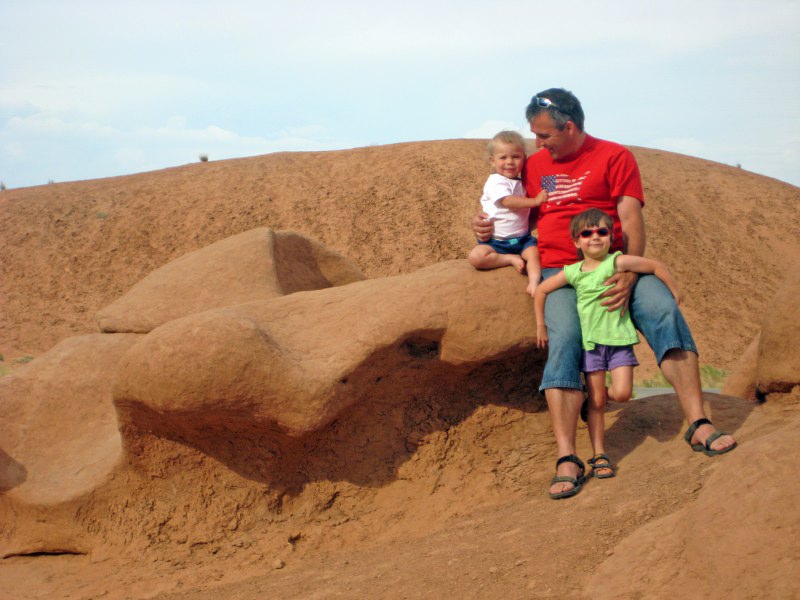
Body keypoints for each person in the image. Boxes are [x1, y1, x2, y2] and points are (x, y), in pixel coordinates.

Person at [471, 88, 737, 499]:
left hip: (614, 261)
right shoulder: (535, 166)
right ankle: (567, 456)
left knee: (661, 309)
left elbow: (630, 217)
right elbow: (511, 212)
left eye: (543, 136)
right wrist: (485, 231)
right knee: (564, 339)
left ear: (570, 127)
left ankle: (698, 422)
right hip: (561, 266)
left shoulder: (614, 156)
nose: (535, 146)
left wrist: (629, 271)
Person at [534, 208, 682, 492]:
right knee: (600, 403)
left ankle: (591, 402)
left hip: (619, 342)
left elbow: (654, 266)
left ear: (611, 236)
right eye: (587, 234)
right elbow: (542, 290)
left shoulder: (618, 262)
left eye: (602, 232)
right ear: (576, 242)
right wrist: (541, 325)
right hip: (591, 346)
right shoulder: (573, 272)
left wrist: (673, 291)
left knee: (622, 393)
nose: (595, 237)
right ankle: (599, 455)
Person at [468, 130, 548, 297]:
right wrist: (535, 201)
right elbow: (507, 201)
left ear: (524, 158)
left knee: (534, 254)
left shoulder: (523, 182)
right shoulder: (494, 181)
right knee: (476, 257)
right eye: (503, 158)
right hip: (496, 241)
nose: (510, 162)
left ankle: (534, 283)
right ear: (492, 161)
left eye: (516, 157)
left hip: (522, 239)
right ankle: (508, 259)